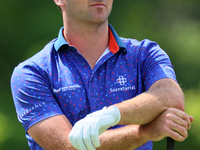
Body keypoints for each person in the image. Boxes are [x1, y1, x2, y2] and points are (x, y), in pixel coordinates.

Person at [10, 0, 193, 150]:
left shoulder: (145, 53)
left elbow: (172, 97)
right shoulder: (31, 72)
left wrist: (112, 115)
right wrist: (145, 132)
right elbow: (67, 146)